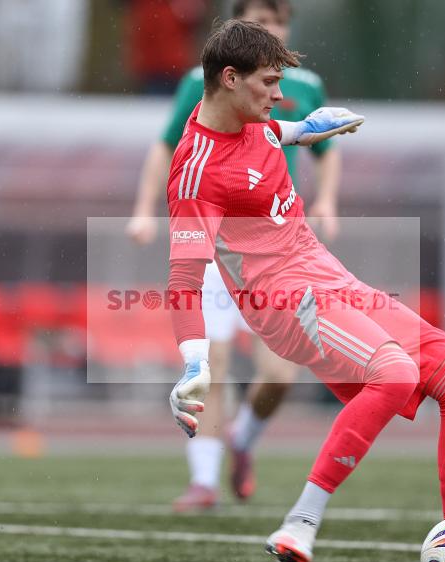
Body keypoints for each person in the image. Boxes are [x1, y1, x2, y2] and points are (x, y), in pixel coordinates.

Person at [164, 19, 445, 562]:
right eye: (269, 82)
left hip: (326, 276)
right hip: (283, 302)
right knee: (392, 374)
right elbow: (183, 278)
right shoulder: (196, 172)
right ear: (230, 78)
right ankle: (302, 520)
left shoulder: (256, 124)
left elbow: (279, 135)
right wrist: (195, 365)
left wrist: (313, 129)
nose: (278, 95)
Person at [127, 0, 343, 512]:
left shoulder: (294, 90)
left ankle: (243, 438)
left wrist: (324, 182)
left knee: (281, 374)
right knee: (215, 366)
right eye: (263, 24)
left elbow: (292, 136)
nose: (278, 92)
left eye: (281, 24)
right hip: (225, 249)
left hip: (280, 252)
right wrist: (143, 209)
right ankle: (204, 480)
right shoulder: (205, 97)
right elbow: (170, 146)